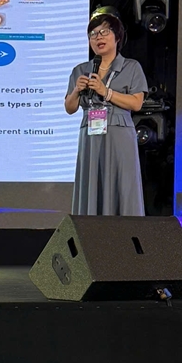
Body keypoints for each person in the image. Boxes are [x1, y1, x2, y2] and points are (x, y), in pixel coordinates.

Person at [65, 11, 146, 215]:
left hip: (119, 133)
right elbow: (70, 108)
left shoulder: (131, 67)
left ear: (117, 37)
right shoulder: (81, 70)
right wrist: (76, 91)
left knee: (122, 185)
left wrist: (106, 92)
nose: (98, 37)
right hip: (90, 135)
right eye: (93, 34)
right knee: (91, 184)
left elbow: (136, 103)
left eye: (104, 32)